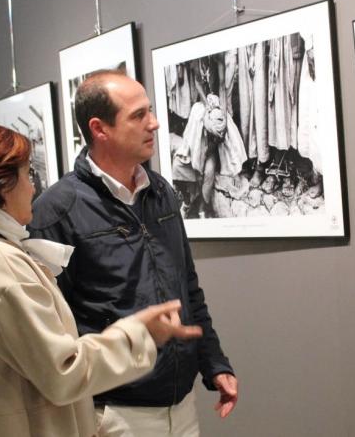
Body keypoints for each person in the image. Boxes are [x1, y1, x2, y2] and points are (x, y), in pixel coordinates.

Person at [0, 122, 202, 437]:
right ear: (2, 186)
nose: (33, 187)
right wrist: (139, 334)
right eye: (27, 175)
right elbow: (62, 371)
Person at [28, 70, 238, 436]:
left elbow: (186, 286)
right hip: (113, 414)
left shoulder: (161, 192)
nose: (154, 124)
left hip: (181, 406)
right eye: (138, 115)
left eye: (151, 111)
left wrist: (214, 363)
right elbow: (48, 328)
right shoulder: (56, 211)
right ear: (99, 128)